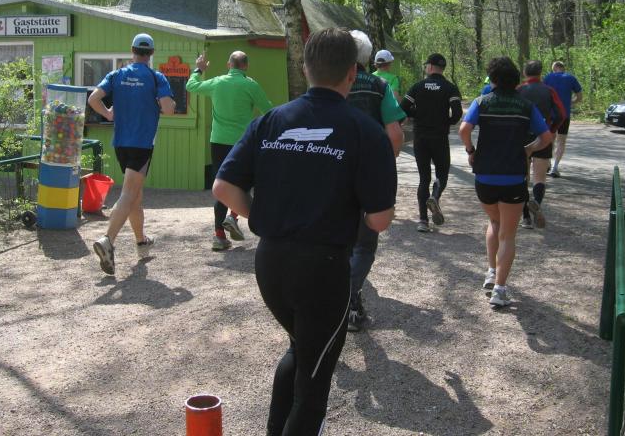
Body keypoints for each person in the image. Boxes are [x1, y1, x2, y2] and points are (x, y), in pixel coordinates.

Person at [213, 27, 397, 436]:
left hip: (271, 264)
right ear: (352, 73)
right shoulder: (366, 131)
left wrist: (261, 217)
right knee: (313, 389)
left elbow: (223, 187)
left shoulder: (271, 121)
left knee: (301, 350)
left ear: (304, 67)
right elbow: (380, 220)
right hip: (323, 271)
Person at [459, 57, 553, 307]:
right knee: (508, 234)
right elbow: (546, 137)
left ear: (492, 79)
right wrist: (529, 149)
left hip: (485, 176)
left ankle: (491, 272)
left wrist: (470, 151)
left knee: (494, 222)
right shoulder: (526, 105)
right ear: (515, 80)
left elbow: (464, 129)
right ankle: (499, 290)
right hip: (513, 176)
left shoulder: (482, 101)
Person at [88, 33, 175, 275]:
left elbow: (94, 99)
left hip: (120, 143)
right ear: (151, 53)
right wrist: (166, 104)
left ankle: (141, 242)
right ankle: (107, 240)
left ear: (132, 50)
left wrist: (108, 113)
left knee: (135, 194)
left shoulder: (116, 74)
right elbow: (168, 109)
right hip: (142, 143)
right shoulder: (156, 77)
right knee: (128, 193)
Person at [346, 31, 405, 332]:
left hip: (334, 170)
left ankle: (345, 298)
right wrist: (385, 164)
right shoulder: (380, 86)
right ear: (368, 57)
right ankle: (349, 297)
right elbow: (395, 134)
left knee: (339, 239)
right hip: (368, 174)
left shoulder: (331, 84)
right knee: (365, 244)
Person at [186, 50, 273, 251]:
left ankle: (218, 235)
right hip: (242, 142)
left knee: (222, 184)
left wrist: (199, 69)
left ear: (228, 65)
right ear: (246, 66)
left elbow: (191, 85)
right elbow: (268, 111)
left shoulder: (217, 83)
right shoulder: (251, 85)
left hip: (218, 141)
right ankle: (233, 216)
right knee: (245, 181)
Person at [400, 53, 463, 232]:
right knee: (442, 173)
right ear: (442, 68)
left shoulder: (418, 86)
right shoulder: (450, 87)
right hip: (439, 137)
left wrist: (418, 115)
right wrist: (445, 121)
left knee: (424, 178)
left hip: (420, 137)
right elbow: (457, 113)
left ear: (429, 67)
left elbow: (403, 108)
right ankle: (435, 196)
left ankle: (423, 221)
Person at [517, 60, 566, 229]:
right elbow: (561, 114)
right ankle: (536, 202)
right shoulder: (548, 90)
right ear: (540, 73)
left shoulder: (519, 90)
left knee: (523, 178)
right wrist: (551, 130)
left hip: (522, 137)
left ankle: (525, 218)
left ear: (525, 73)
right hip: (542, 136)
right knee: (540, 178)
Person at [543, 60, 583, 177]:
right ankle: (555, 168)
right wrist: (571, 102)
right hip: (564, 115)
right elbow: (579, 97)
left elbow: (543, 94)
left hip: (551, 114)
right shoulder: (571, 78)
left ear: (555, 68)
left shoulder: (548, 77)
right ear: (563, 68)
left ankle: (548, 163)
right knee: (561, 141)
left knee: (550, 139)